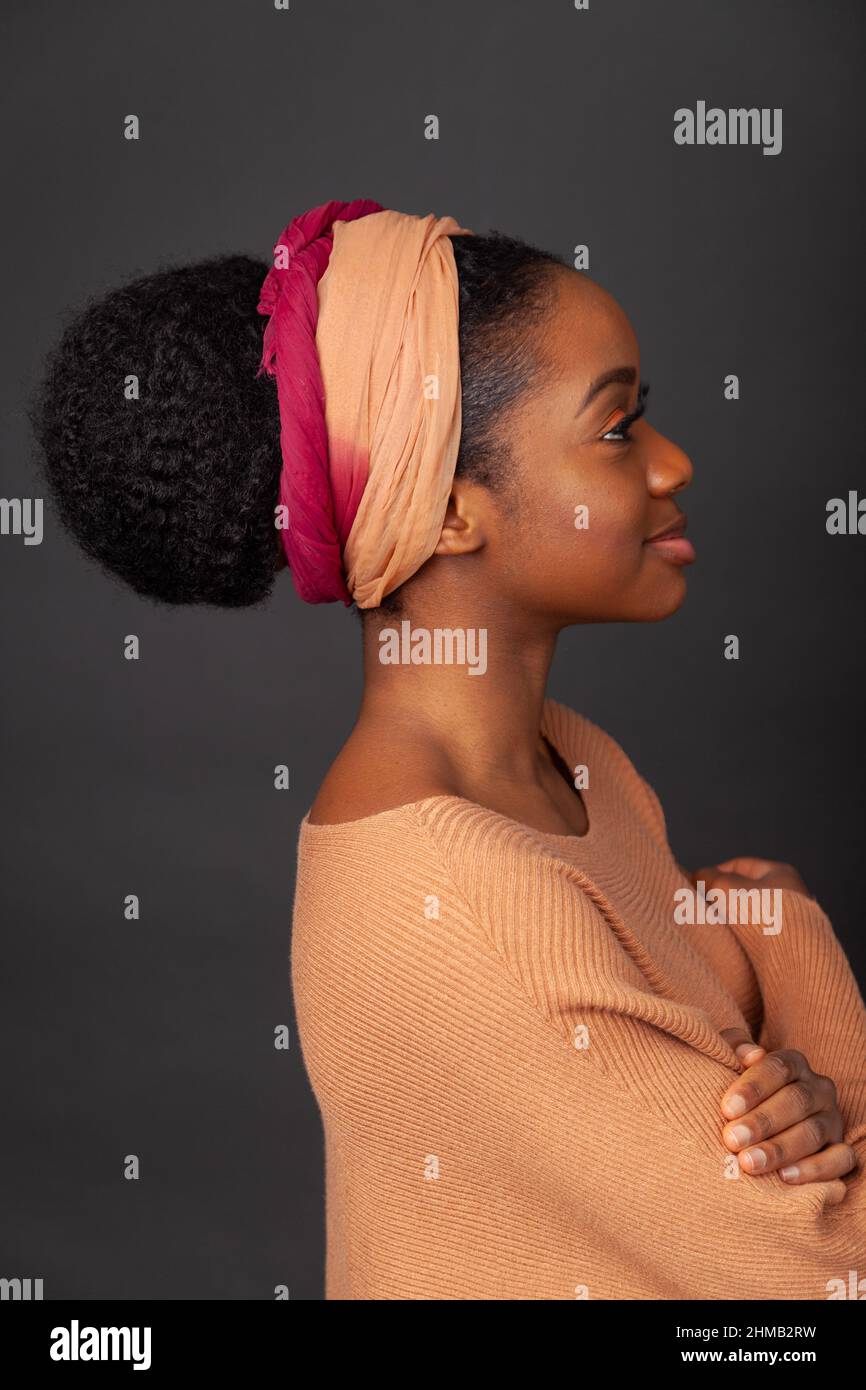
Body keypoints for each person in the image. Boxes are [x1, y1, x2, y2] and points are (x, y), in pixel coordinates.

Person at [31, 199, 866, 1300]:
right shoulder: (449, 902)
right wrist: (789, 936)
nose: (672, 463)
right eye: (615, 429)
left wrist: (811, 1092)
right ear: (452, 510)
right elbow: (828, 1270)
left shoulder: (573, 764)